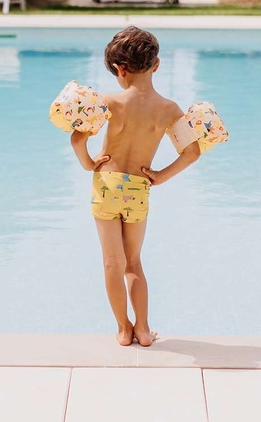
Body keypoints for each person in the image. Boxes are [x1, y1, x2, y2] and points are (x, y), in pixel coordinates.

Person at [70, 26, 202, 347]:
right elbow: (192, 151)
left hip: (107, 186)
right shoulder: (169, 109)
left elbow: (77, 138)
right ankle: (143, 328)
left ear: (119, 69)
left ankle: (122, 328)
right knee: (133, 263)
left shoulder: (108, 102)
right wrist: (161, 175)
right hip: (139, 190)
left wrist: (89, 163)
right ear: (156, 65)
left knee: (111, 263)